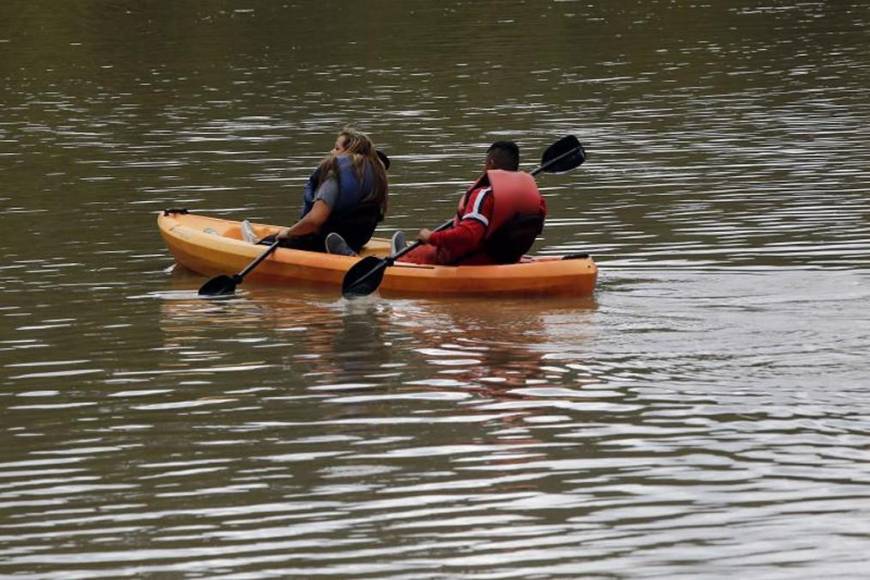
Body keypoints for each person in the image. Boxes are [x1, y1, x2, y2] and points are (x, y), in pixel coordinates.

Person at [397, 141, 546, 265]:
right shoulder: (536, 197)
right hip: (508, 258)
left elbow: (467, 236)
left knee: (411, 254)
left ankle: (400, 256)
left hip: (472, 261)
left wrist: (431, 237)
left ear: (490, 163)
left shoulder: (484, 195)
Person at [253, 127, 388, 254]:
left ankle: (257, 243)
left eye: (336, 148)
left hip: (322, 242)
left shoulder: (336, 173)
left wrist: (288, 233)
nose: (332, 152)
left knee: (270, 241)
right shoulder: (376, 173)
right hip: (357, 240)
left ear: (348, 151)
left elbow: (314, 221)